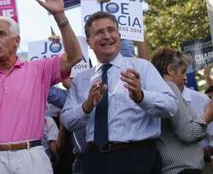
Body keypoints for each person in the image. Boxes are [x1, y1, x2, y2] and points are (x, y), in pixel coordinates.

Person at [0, 0, 83, 174]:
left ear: (16, 41)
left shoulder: (38, 70)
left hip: (31, 158)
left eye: (1, 34)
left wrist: (60, 16)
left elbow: (74, 56)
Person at [61, 11, 178, 174]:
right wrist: (86, 107)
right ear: (89, 41)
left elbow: (170, 107)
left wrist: (141, 96)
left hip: (138, 159)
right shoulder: (81, 79)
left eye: (111, 30)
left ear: (119, 35)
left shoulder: (142, 67)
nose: (107, 36)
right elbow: (67, 121)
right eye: (100, 32)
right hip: (95, 161)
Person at [151, 48, 213, 174]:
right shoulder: (169, 88)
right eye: (183, 72)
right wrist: (207, 116)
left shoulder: (151, 93)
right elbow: (188, 133)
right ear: (170, 70)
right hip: (183, 169)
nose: (185, 77)